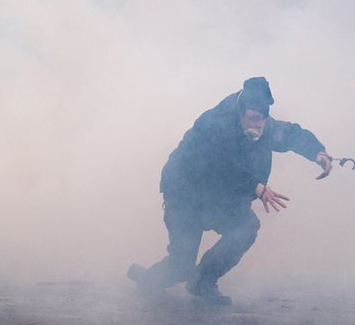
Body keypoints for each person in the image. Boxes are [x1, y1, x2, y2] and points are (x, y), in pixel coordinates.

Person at [127, 77, 333, 306]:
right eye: (254, 119)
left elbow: (291, 134)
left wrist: (318, 153)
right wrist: (255, 186)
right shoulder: (214, 123)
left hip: (220, 198)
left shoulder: (260, 123)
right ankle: (147, 281)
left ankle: (202, 282)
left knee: (246, 227)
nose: (259, 125)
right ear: (240, 112)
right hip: (185, 195)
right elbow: (216, 164)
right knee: (180, 265)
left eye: (263, 119)